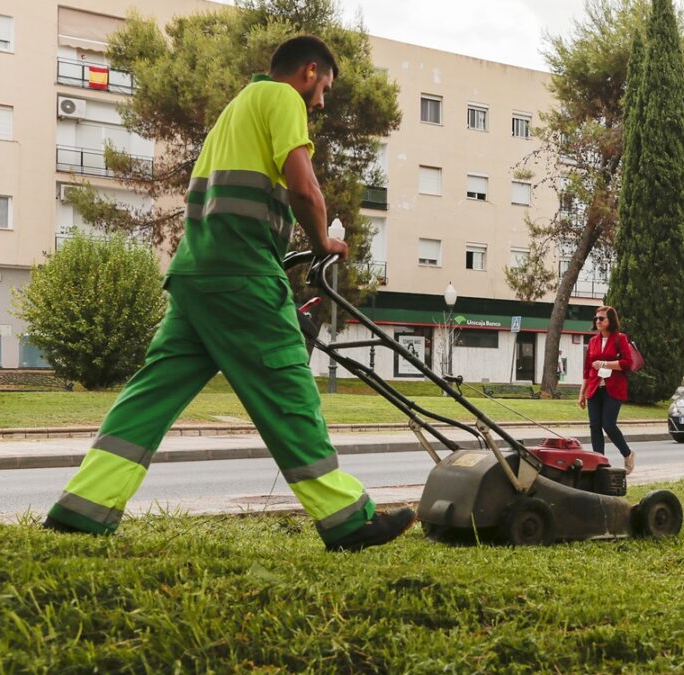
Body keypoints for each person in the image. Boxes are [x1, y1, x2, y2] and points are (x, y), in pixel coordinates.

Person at [42, 36, 416, 552]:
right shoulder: (282, 98)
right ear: (309, 72)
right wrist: (323, 241)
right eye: (324, 89)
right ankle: (347, 520)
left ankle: (80, 511)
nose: (321, 102)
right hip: (243, 276)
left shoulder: (235, 110)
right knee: (289, 392)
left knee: (150, 396)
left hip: (195, 277)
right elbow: (304, 188)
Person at [578, 306, 635, 474]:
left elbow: (628, 363)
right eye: (596, 318)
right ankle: (600, 463)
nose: (598, 321)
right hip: (595, 388)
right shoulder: (593, 341)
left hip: (614, 388)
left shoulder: (620, 338)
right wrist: (582, 393)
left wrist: (604, 364)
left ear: (611, 320)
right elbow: (587, 369)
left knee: (608, 425)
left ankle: (628, 454)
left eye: (601, 318)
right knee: (595, 426)